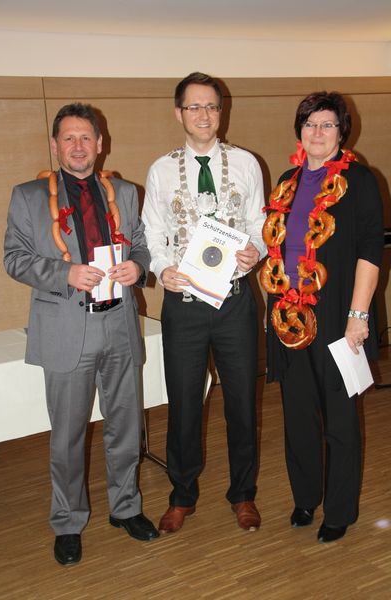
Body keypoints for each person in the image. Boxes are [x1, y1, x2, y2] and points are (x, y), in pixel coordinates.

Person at [4, 102, 159, 566]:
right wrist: (64, 273)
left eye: (85, 137)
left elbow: (141, 244)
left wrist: (139, 267)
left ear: (100, 143)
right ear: (55, 145)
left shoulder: (124, 192)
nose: (78, 146)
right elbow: (14, 258)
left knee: (125, 426)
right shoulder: (28, 196)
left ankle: (125, 507)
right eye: (68, 138)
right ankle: (68, 522)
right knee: (68, 436)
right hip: (66, 329)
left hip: (119, 324)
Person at [142, 72, 266, 534]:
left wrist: (257, 251)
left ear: (221, 111)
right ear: (179, 113)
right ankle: (182, 494)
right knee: (184, 402)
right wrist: (162, 269)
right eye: (194, 106)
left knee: (242, 401)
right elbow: (152, 232)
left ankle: (244, 493)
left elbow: (259, 224)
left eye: (211, 106)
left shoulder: (247, 163)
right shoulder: (160, 169)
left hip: (234, 301)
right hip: (185, 303)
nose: (204, 115)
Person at [261, 91, 384, 543]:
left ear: (341, 132)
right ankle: (306, 497)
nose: (317, 132)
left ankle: (340, 509)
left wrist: (358, 315)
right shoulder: (288, 181)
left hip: (336, 314)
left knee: (339, 415)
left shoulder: (359, 180)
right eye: (310, 123)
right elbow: (277, 248)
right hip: (289, 314)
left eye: (327, 124)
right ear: (300, 130)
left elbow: (370, 251)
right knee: (297, 413)